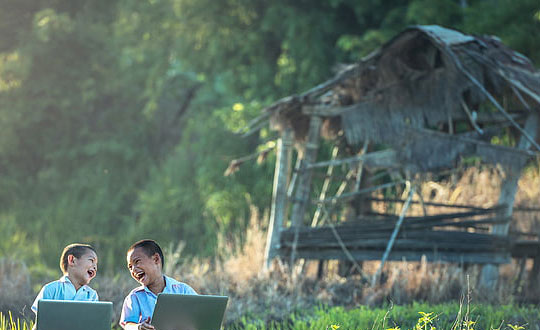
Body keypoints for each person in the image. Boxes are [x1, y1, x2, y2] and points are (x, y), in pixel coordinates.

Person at [120, 239, 197, 330]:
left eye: (137, 262)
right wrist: (138, 327)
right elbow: (128, 325)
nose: (133, 270)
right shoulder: (135, 297)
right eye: (130, 267)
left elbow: (199, 316)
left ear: (156, 259)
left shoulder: (183, 290)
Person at [31, 243, 99, 314]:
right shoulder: (51, 289)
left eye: (96, 264)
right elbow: (41, 321)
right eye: (91, 260)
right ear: (72, 260)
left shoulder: (92, 295)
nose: (95, 267)